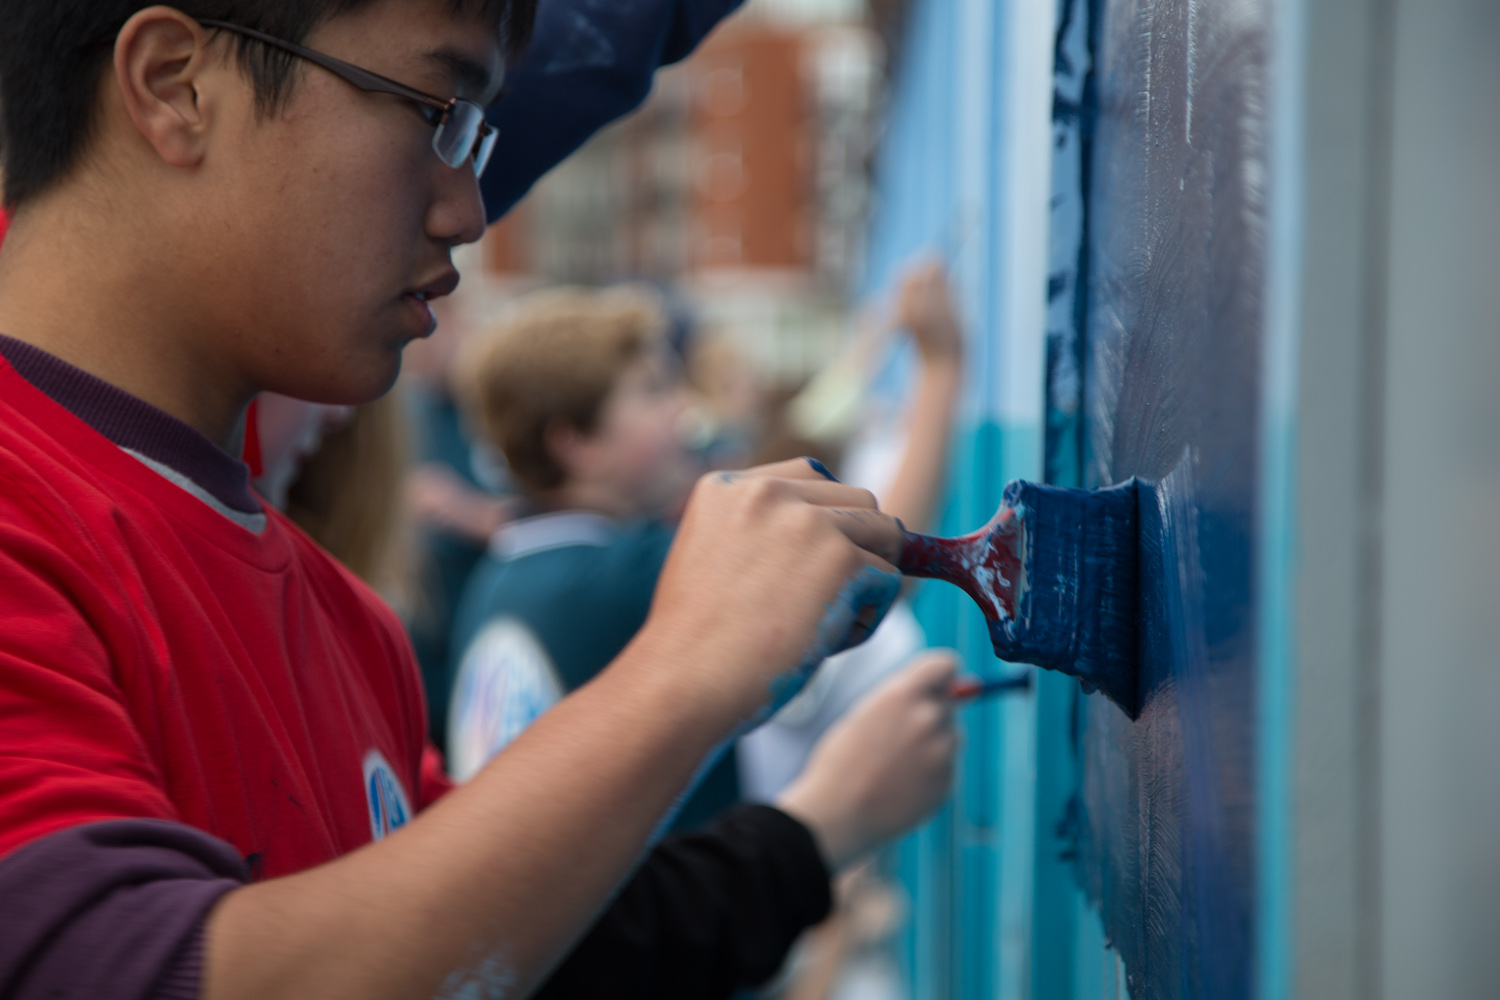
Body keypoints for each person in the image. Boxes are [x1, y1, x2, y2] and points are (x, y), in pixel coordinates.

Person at [0, 6, 951, 1000]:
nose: (467, 209)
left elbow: (506, 933)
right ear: (173, 84)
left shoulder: (348, 625)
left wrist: (806, 830)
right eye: (435, 115)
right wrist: (687, 672)